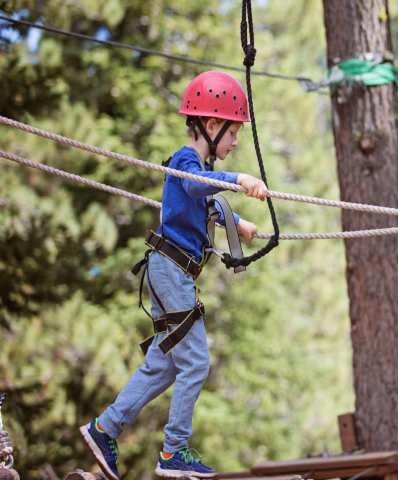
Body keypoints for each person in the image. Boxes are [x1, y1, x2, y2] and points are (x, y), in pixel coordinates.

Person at [79, 71, 267, 479]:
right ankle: (173, 451)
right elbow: (198, 188)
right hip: (171, 270)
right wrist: (239, 180)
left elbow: (203, 204)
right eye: (233, 133)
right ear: (211, 125)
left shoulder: (198, 169)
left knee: (163, 365)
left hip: (170, 271)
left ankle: (104, 428)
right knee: (196, 362)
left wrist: (239, 224)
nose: (236, 142)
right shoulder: (186, 161)